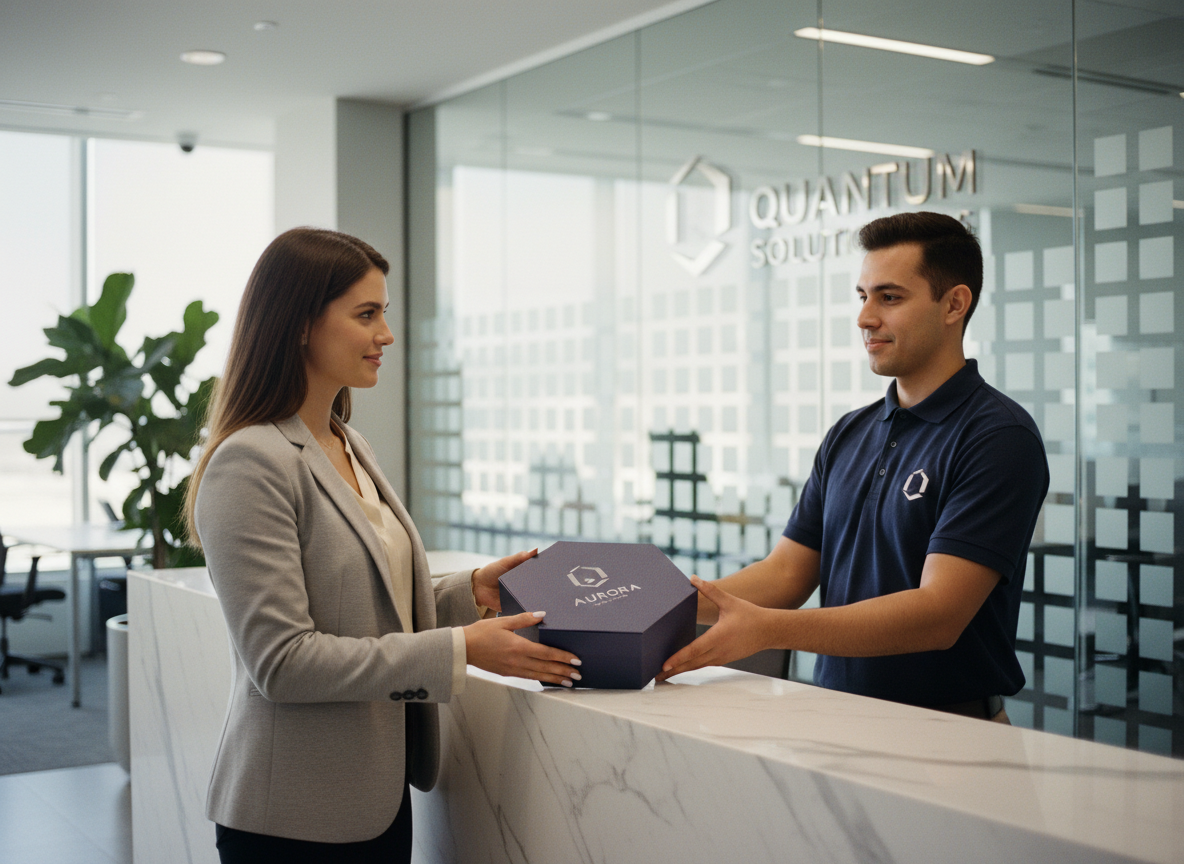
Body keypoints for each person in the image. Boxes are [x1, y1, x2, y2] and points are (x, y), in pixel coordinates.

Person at [183, 227, 581, 863]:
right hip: (291, 821)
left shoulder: (345, 442)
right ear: (300, 325)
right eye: (366, 315)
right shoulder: (250, 463)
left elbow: (362, 602)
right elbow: (282, 662)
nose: (386, 336)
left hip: (375, 801)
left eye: (384, 314)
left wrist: (466, 594)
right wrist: (460, 648)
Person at [658, 212, 1048, 723]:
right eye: (863, 297)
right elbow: (785, 574)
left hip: (949, 729)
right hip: (835, 720)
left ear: (954, 303)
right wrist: (661, 609)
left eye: (889, 298)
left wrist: (768, 628)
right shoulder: (850, 433)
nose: (865, 318)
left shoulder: (997, 437)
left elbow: (938, 614)